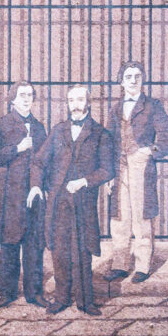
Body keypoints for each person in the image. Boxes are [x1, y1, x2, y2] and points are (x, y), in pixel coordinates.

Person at [28, 85, 115, 316]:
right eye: (71, 100)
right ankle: (61, 298)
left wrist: (84, 181)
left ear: (88, 102)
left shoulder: (100, 134)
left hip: (83, 203)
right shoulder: (58, 131)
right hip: (58, 202)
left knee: (82, 251)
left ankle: (86, 302)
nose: (75, 105)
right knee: (59, 251)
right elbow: (38, 162)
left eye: (79, 100)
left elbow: (107, 169)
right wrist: (36, 185)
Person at [103, 61, 168, 284]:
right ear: (121, 81)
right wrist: (107, 175)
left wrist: (149, 151)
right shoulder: (115, 109)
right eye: (128, 76)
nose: (133, 80)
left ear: (142, 79)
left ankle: (143, 265)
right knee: (120, 218)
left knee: (141, 217)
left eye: (137, 76)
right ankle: (120, 264)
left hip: (141, 168)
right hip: (118, 169)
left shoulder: (153, 106)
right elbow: (106, 143)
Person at [0, 81, 47, 308]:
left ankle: (35, 293)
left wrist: (39, 186)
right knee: (9, 244)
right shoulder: (2, 124)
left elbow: (45, 160)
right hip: (10, 194)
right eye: (22, 95)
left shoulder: (39, 127)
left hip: (34, 192)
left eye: (30, 95)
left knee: (34, 244)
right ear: (12, 98)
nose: (26, 98)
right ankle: (7, 292)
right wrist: (17, 149)